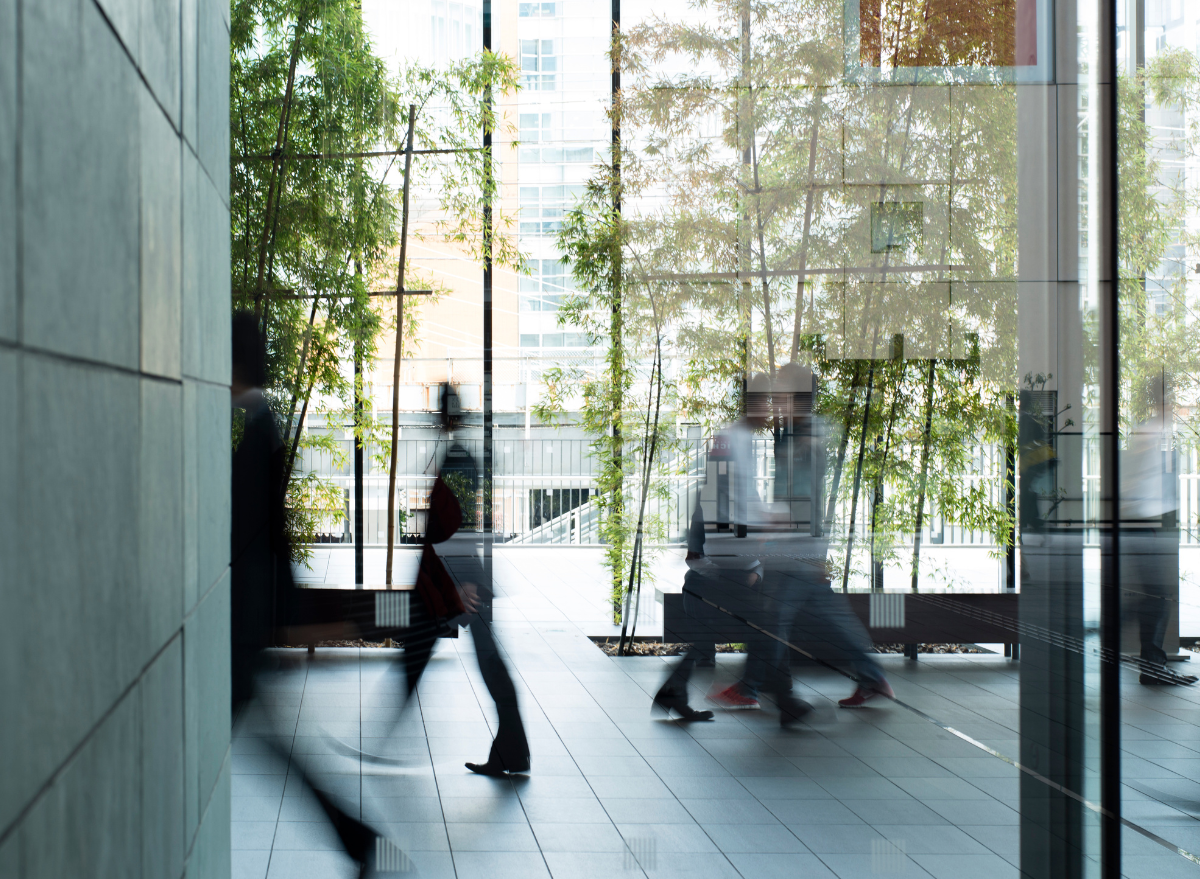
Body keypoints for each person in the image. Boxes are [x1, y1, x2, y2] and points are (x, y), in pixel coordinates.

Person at [229, 312, 391, 877]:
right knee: (274, 746)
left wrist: (282, 618)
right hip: (249, 620)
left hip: (243, 623)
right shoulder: (262, 425)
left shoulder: (258, 431)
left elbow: (264, 533)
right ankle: (355, 837)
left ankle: (356, 836)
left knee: (271, 745)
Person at [393, 383, 531, 775]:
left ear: (443, 414)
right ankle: (513, 751)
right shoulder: (461, 453)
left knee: (481, 660)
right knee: (469, 657)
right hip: (458, 577)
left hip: (460, 580)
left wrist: (464, 582)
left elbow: (462, 524)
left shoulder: (457, 458)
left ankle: (513, 750)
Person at [1122, 373, 1196, 686]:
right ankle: (1150, 665)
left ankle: (1152, 664)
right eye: (1173, 395)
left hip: (1152, 522)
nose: (1176, 402)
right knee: (1158, 597)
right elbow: (1138, 480)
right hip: (1146, 522)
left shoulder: (1156, 430)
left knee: (1156, 596)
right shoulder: (1152, 431)